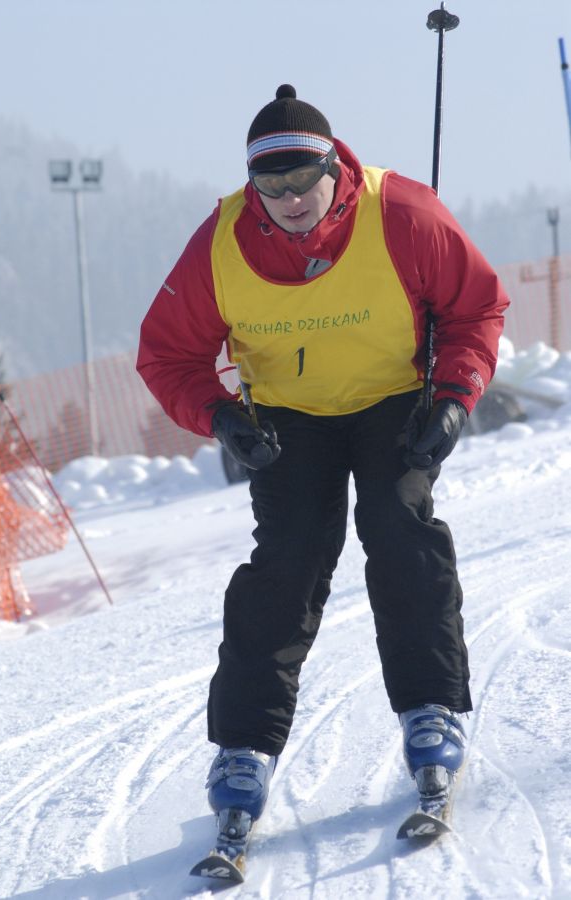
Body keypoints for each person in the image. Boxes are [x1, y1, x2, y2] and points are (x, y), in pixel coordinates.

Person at [137, 85, 509, 835]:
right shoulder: (221, 243)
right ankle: (243, 749)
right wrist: (221, 418)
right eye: (271, 184)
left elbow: (475, 306)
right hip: (287, 418)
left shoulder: (402, 211)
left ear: (335, 168)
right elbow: (167, 354)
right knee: (290, 561)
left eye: (304, 177)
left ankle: (431, 707)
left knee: (396, 527)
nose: (290, 198)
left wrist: (453, 396)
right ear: (253, 186)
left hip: (392, 400)